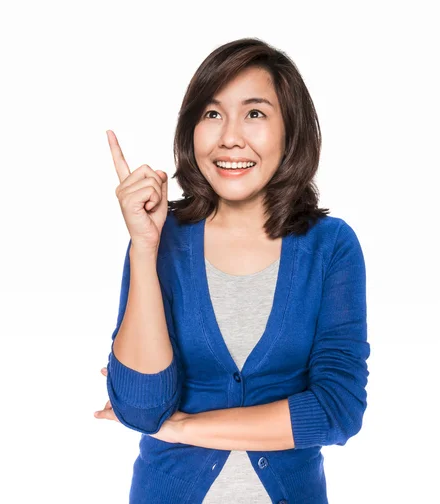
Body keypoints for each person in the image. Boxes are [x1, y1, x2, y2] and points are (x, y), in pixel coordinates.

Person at [95, 37, 371, 504]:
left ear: (291, 131)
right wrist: (144, 246)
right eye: (212, 113)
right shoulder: (163, 240)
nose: (230, 136)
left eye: (255, 113)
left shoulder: (331, 247)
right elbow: (142, 406)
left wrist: (185, 426)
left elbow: (336, 410)